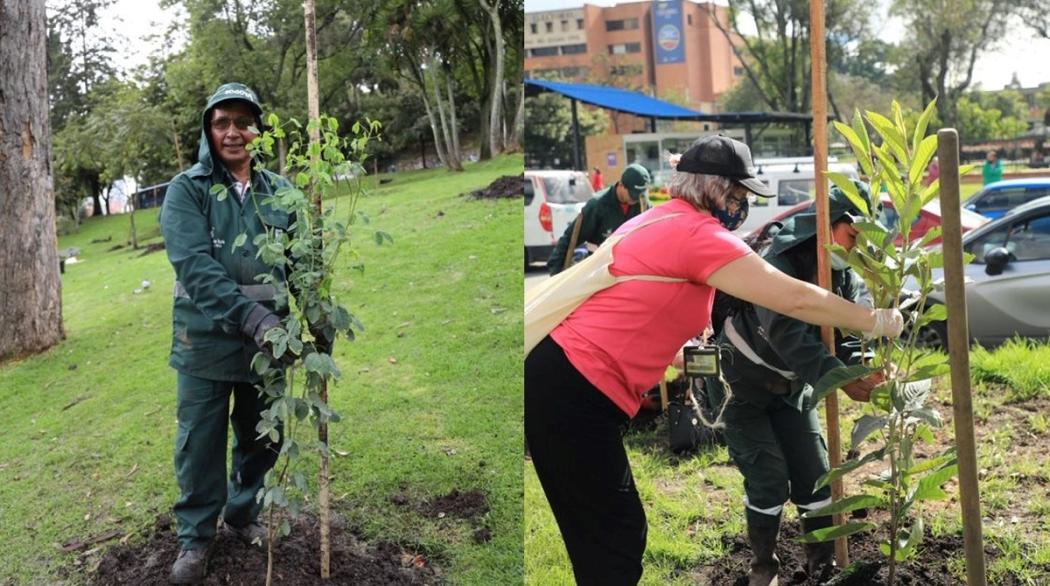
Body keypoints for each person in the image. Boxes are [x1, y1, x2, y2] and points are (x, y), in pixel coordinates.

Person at [524, 135, 904, 586]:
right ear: (715, 189)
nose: (742, 206)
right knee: (615, 540)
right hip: (572, 390)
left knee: (606, 538)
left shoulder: (662, 217)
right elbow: (796, 300)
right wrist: (875, 321)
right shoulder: (697, 235)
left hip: (564, 382)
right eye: (740, 195)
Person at [702, 181, 886, 585]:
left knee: (815, 475)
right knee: (768, 478)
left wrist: (859, 370)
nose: (856, 248)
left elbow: (846, 332)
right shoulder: (778, 262)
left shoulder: (842, 276)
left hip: (792, 391)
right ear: (828, 225)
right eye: (853, 236)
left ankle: (821, 566)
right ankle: (763, 567)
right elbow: (786, 333)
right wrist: (839, 378)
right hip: (742, 388)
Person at [160, 83, 295, 584]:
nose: (234, 132)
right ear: (209, 130)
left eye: (244, 122)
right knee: (199, 445)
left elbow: (305, 264)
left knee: (264, 437)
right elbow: (195, 268)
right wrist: (251, 317)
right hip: (204, 343)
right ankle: (196, 540)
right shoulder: (188, 190)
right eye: (223, 123)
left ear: (259, 129)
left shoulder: (281, 192)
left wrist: (317, 320)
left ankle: (242, 515)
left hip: (270, 347)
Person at [547, 164, 650, 275]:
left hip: (630, 270)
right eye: (632, 195)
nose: (635, 200)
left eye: (640, 195)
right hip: (601, 271)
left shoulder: (643, 204)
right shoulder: (597, 205)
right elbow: (570, 237)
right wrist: (555, 269)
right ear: (621, 185)